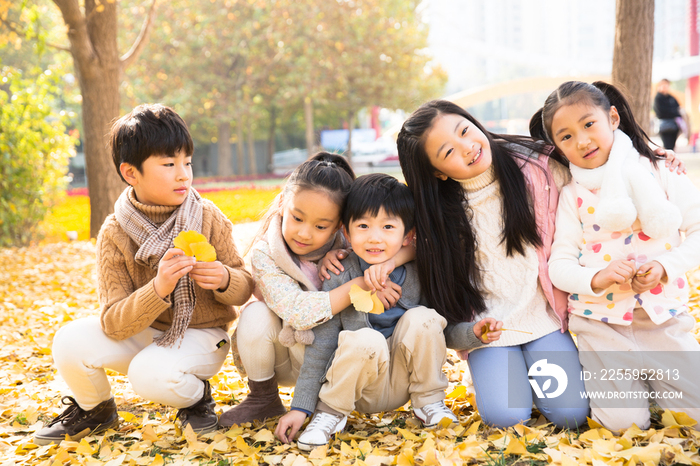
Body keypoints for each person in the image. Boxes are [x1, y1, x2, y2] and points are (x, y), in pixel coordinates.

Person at [34, 104, 255, 445]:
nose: (183, 174)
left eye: (187, 162)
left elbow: (244, 288)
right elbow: (112, 322)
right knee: (69, 340)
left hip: (203, 335)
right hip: (144, 332)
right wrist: (159, 287)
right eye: (169, 164)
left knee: (148, 374)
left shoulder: (208, 216)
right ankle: (97, 411)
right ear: (130, 173)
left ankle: (197, 399)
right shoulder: (115, 232)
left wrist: (225, 278)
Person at [396, 100, 590, 429]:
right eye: (448, 152)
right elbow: (381, 233)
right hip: (489, 330)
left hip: (545, 317)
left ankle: (531, 373)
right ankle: (503, 376)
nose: (468, 147)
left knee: (570, 414)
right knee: (506, 417)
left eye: (465, 131)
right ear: (437, 172)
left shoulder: (535, 169)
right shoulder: (436, 215)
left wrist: (653, 159)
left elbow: (595, 172)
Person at [274, 174, 503, 450]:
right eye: (363, 226)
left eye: (387, 226)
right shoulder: (340, 273)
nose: (374, 237)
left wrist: (473, 334)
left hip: (404, 383)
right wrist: (301, 407)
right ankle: (330, 414)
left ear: (408, 236)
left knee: (424, 317)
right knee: (364, 338)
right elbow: (322, 344)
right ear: (346, 232)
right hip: (357, 386)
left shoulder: (419, 273)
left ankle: (429, 403)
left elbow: (440, 331)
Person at [533, 80, 700, 431]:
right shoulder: (571, 195)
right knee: (622, 425)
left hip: (662, 321)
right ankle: (631, 385)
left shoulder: (659, 171)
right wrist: (597, 277)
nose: (581, 140)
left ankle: (660, 381)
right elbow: (559, 265)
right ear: (558, 147)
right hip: (602, 327)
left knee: (694, 419)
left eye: (588, 124)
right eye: (565, 137)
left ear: (612, 117)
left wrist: (664, 266)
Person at [219, 152, 388, 428]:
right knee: (255, 315)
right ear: (284, 203)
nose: (305, 233)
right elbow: (296, 311)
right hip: (291, 356)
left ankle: (332, 403)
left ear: (339, 225)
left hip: (339, 360)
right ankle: (263, 397)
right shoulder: (266, 252)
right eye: (297, 218)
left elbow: (406, 242)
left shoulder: (354, 244)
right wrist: (357, 285)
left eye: (321, 226)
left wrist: (352, 260)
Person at [653, 79, 683, 150]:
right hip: (664, 126)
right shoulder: (658, 98)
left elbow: (678, 109)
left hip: (674, 126)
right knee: (667, 146)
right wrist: (673, 113)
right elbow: (660, 112)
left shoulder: (671, 98)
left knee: (672, 147)